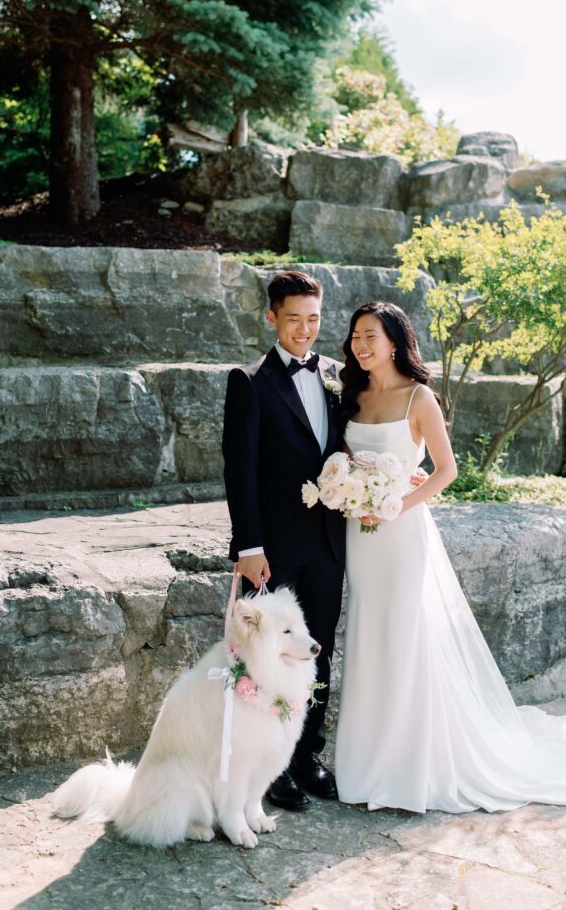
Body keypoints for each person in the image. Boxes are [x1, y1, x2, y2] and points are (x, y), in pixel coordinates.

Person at [335, 300, 566, 813]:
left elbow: (444, 470)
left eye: (371, 336)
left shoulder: (418, 397)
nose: (361, 345)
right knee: (368, 630)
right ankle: (367, 759)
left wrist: (394, 505)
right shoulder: (353, 393)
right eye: (355, 337)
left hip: (401, 532)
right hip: (359, 537)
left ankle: (411, 764)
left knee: (405, 636)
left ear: (393, 340)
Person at [222, 269, 345, 811]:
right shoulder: (248, 381)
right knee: (264, 657)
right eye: (293, 318)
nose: (304, 329)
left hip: (328, 545)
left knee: (317, 652)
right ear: (271, 317)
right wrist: (249, 547)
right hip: (270, 549)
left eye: (313, 319)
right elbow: (239, 469)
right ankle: (266, 765)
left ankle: (304, 754)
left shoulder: (341, 376)